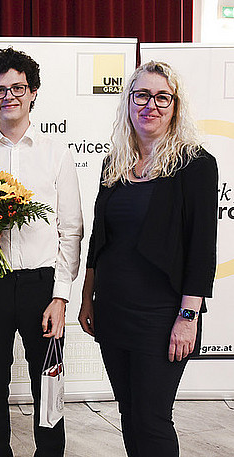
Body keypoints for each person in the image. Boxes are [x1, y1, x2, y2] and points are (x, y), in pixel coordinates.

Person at [78, 61, 218, 457]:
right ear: (129, 102)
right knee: (129, 413)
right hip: (115, 310)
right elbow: (99, 239)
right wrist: (88, 297)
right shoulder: (115, 163)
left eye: (162, 97)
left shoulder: (195, 165)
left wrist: (188, 318)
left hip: (163, 315)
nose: (150, 105)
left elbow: (202, 248)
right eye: (142, 95)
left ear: (175, 106)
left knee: (153, 419)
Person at [0, 48, 83, 457]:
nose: (8, 97)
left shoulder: (56, 155)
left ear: (33, 93)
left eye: (17, 88)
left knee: (48, 379)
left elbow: (71, 230)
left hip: (41, 285)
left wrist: (60, 296)